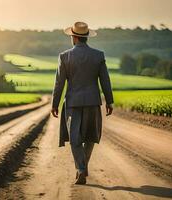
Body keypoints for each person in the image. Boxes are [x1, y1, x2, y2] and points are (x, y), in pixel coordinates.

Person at [51, 22, 114, 185]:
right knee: (91, 135)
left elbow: (59, 83)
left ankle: (80, 168)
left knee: (74, 137)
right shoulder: (98, 55)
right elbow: (105, 80)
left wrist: (54, 104)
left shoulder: (64, 56)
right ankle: (83, 166)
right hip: (93, 101)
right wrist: (109, 101)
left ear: (75, 37)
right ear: (85, 37)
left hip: (72, 102)